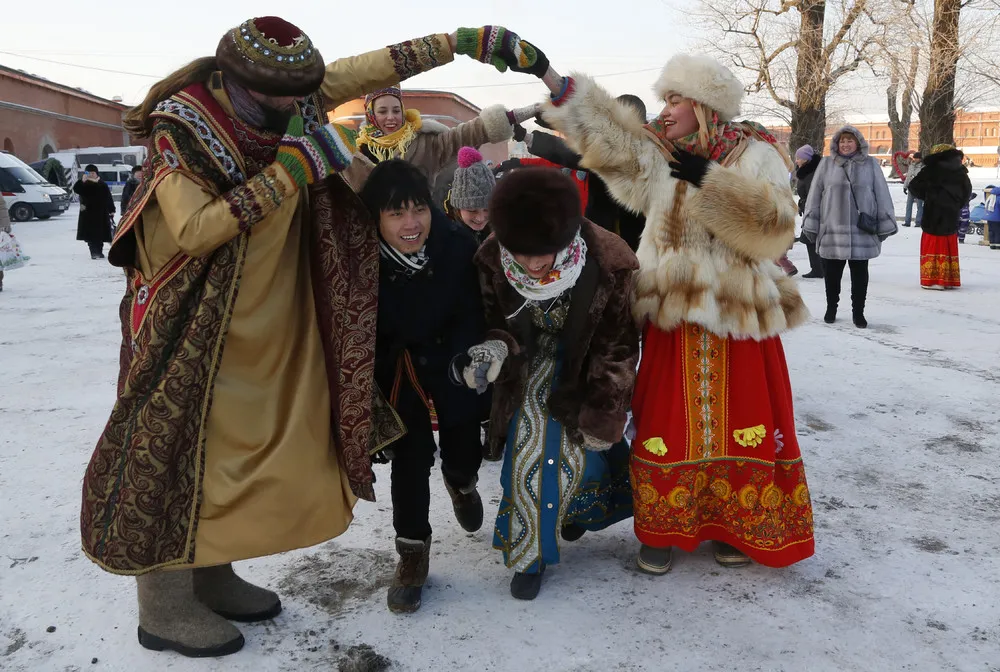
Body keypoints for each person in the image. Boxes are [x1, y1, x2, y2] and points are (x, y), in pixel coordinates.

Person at [78, 16, 548, 658]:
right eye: (284, 99)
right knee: (179, 441)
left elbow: (371, 68)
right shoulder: (182, 130)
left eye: (304, 95)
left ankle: (212, 570)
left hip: (254, 316)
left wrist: (462, 42)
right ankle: (162, 604)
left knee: (233, 446)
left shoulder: (281, 98)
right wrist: (293, 169)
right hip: (191, 323)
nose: (299, 107)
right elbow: (193, 231)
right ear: (236, 82)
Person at [537, 53, 815, 574]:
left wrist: (711, 179)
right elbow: (609, 142)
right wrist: (553, 81)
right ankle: (663, 526)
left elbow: (777, 227)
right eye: (664, 100)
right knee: (667, 420)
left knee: (743, 420)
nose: (665, 111)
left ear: (705, 106)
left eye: (675, 100)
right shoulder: (658, 156)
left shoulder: (755, 154)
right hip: (673, 314)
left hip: (737, 315)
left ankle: (735, 524)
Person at [463, 167, 637, 599]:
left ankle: (574, 512)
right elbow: (490, 323)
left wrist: (604, 409)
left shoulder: (610, 261)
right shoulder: (490, 260)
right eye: (520, 254)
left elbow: (616, 347)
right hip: (528, 365)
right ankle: (529, 555)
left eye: (543, 252)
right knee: (532, 447)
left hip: (587, 366)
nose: (533, 265)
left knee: (587, 454)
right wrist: (496, 350)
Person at [358, 160, 488, 614]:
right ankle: (412, 554)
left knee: (462, 441)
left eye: (418, 210)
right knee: (410, 459)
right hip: (400, 366)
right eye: (396, 214)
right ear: (375, 217)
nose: (411, 223)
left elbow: (474, 311)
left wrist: (468, 363)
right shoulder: (360, 259)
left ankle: (462, 482)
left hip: (453, 358)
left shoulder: (455, 244)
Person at [343, 86, 536, 193]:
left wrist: (514, 116)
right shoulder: (357, 150)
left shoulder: (425, 143)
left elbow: (467, 133)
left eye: (396, 110)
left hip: (420, 228)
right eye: (383, 111)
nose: (391, 117)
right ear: (371, 115)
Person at [515, 96, 648, 251]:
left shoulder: (646, 153)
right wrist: (529, 136)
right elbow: (574, 150)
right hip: (599, 229)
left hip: (635, 237)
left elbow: (574, 153)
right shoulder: (604, 144)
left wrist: (530, 137)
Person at [802, 126, 897, 328]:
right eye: (842, 141)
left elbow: (881, 193)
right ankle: (831, 308)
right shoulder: (827, 164)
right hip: (832, 228)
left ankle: (858, 313)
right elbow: (815, 195)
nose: (845, 145)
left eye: (849, 141)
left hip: (861, 230)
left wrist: (884, 222)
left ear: (858, 143)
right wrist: (812, 221)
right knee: (832, 274)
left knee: (860, 274)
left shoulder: (871, 164)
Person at [906, 144, 971, 290]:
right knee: (948, 243)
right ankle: (948, 279)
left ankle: (933, 279)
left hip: (933, 213)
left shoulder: (931, 170)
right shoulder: (960, 171)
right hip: (951, 214)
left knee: (933, 243)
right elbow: (967, 192)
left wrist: (929, 196)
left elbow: (914, 186)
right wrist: (955, 204)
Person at [445, 146, 495, 245]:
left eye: (487, 209)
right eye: (472, 210)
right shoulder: (446, 237)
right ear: (458, 209)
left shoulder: (500, 232)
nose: (480, 218)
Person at [73, 164, 115, 259]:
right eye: (89, 173)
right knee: (91, 235)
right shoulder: (84, 184)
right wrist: (82, 181)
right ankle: (94, 253)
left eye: (93, 173)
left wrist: (112, 209)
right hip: (88, 213)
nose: (91, 175)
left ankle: (99, 252)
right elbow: (76, 189)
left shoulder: (102, 184)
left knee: (101, 234)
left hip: (101, 213)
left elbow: (108, 197)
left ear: (96, 173)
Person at [794, 145, 824, 278]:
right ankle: (819, 268)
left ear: (806, 159)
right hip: (808, 206)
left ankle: (818, 269)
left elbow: (814, 194)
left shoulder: (812, 173)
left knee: (810, 238)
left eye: (799, 158)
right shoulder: (805, 171)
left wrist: (806, 204)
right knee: (811, 238)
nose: (796, 161)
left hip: (815, 208)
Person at [903, 152, 924, 228]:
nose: (915, 159)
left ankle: (918, 221)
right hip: (910, 188)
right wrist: (905, 186)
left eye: (917, 158)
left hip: (919, 189)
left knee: (919, 206)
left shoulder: (922, 167)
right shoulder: (911, 165)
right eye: (914, 158)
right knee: (909, 205)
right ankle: (907, 221)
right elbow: (908, 177)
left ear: (920, 158)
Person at [984, 185, 1000, 250]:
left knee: (991, 231)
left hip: (989, 217)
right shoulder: (999, 198)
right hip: (997, 218)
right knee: (998, 232)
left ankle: (992, 244)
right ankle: (998, 245)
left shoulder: (990, 196)